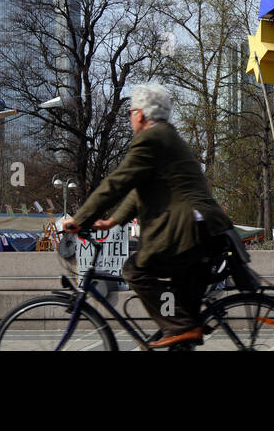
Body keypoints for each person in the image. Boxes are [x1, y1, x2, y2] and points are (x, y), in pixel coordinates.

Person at [62, 83, 233, 348]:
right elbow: (138, 189)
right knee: (183, 322)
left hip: (188, 231)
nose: (130, 118)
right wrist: (112, 221)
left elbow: (117, 182)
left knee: (134, 270)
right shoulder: (167, 137)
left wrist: (79, 219)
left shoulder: (151, 139)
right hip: (207, 232)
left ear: (140, 114)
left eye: (130, 112)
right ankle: (182, 328)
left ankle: (179, 326)